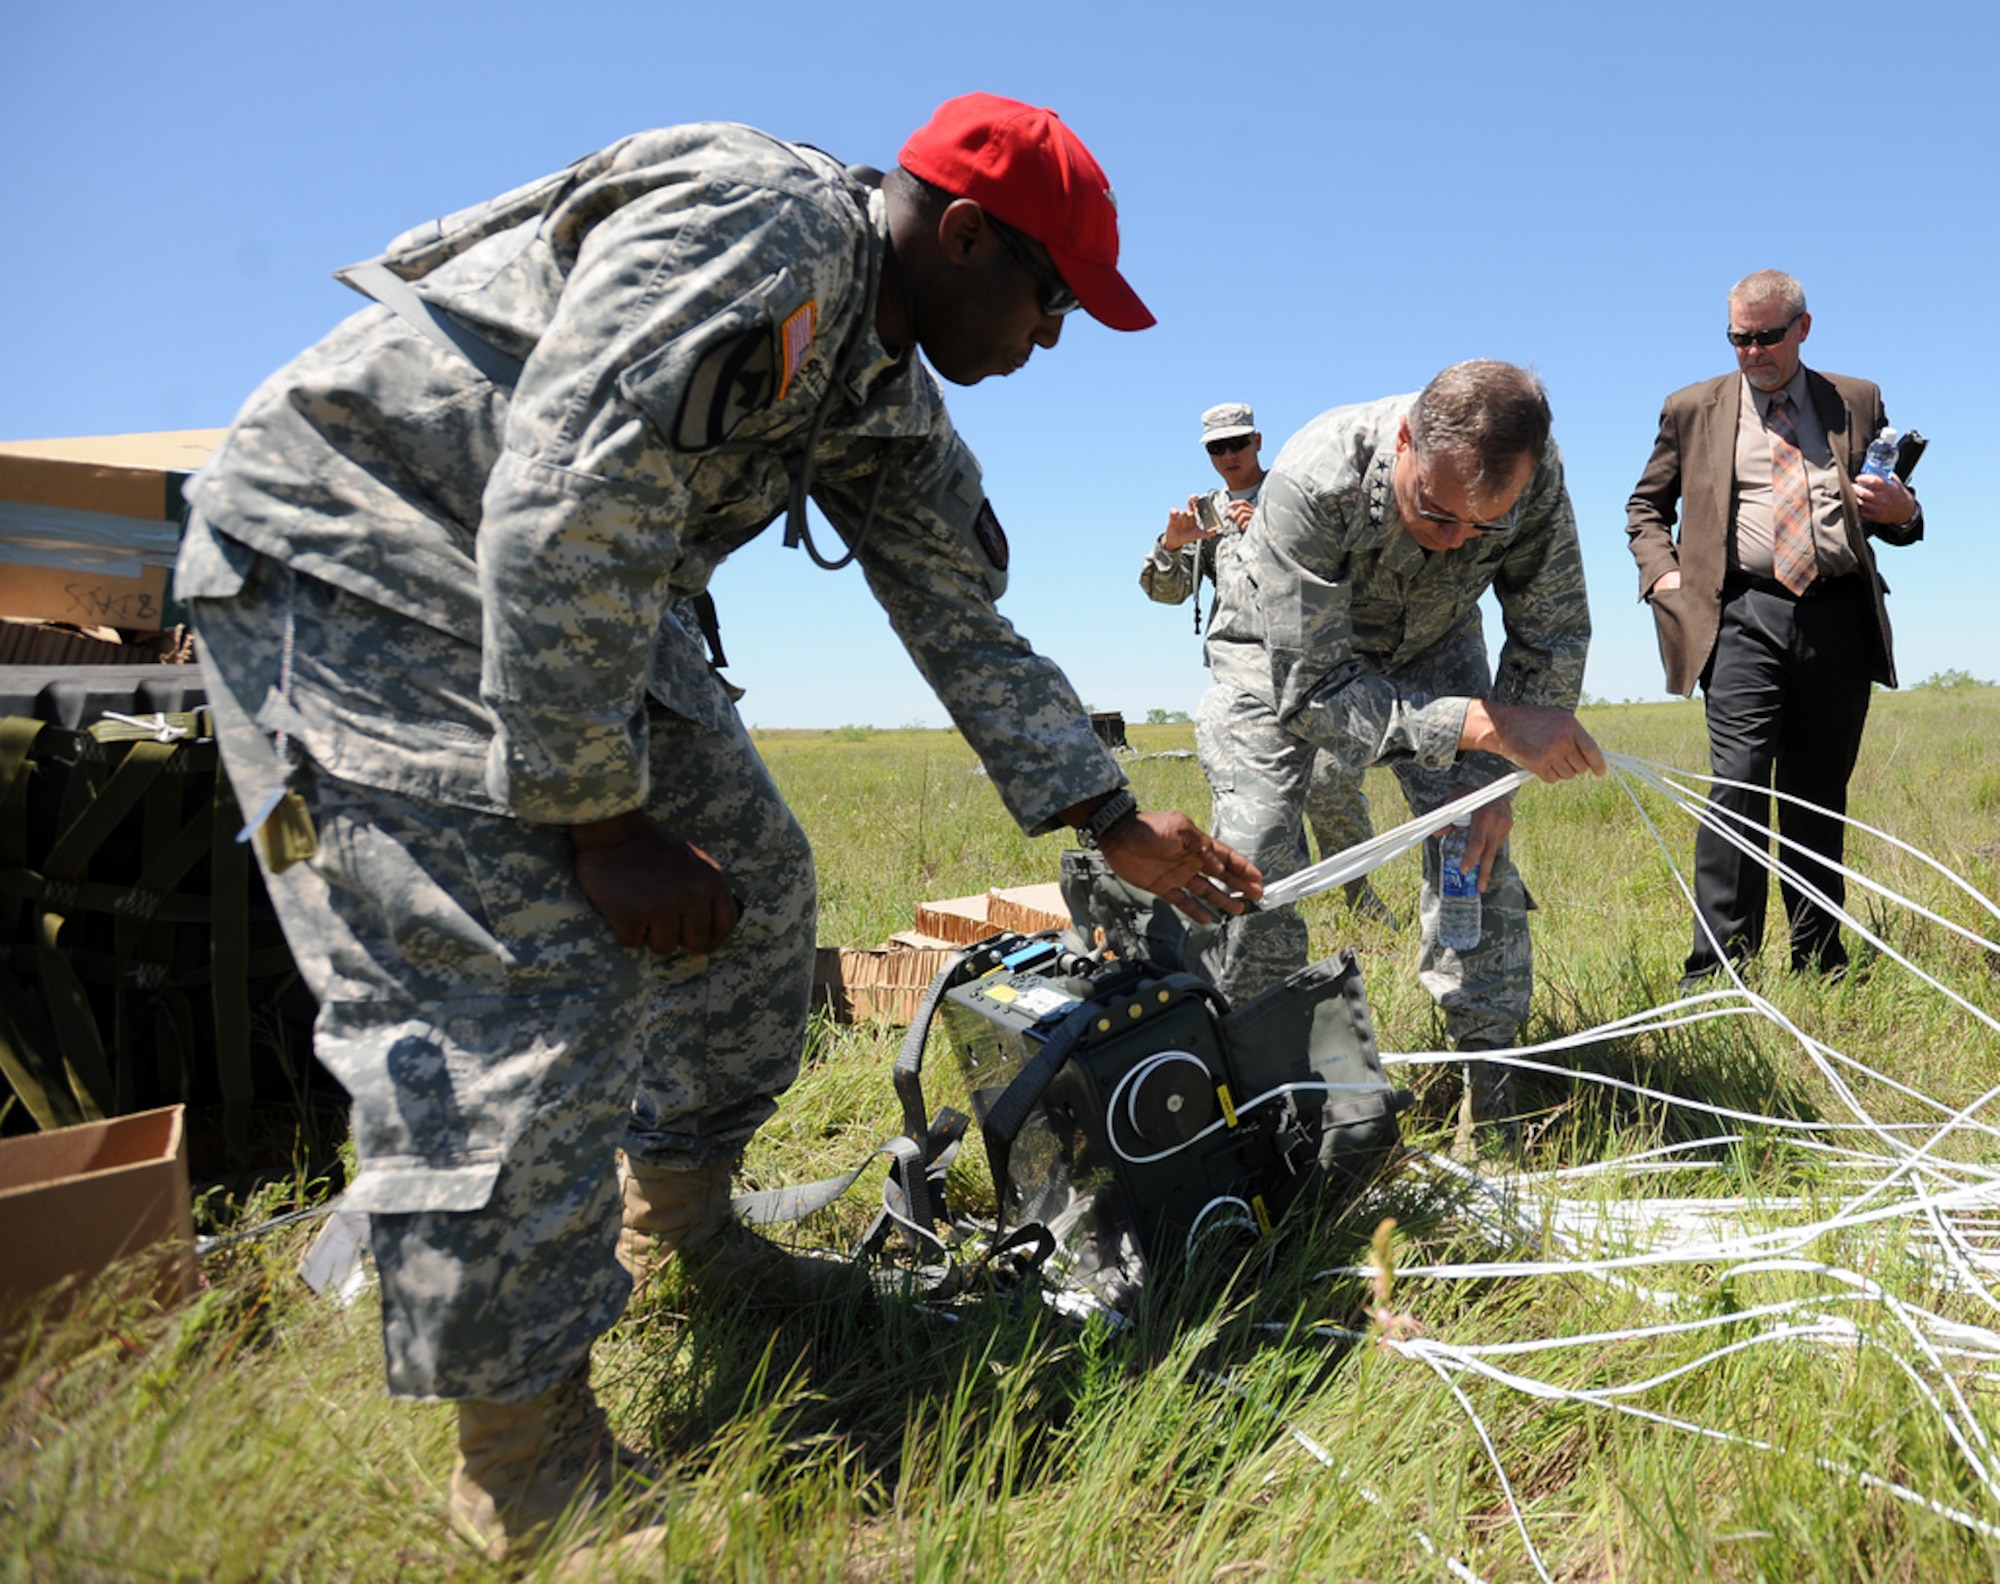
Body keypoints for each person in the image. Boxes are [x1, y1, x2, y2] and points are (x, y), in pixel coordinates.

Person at [175, 93, 1262, 1563]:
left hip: (572, 590)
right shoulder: (765, 227)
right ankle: (524, 1459)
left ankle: (675, 1223)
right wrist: (597, 815)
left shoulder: (880, 378)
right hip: (374, 547)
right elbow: (568, 482)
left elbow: (960, 611)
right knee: (521, 984)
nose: (1047, 341)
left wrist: (1111, 815)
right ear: (960, 234)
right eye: (1049, 299)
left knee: (755, 886)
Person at [1194, 361, 1603, 1149]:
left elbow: (1551, 632)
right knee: (1256, 859)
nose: (1454, 542)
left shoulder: (1535, 472)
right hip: (1275, 665)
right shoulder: (1314, 480)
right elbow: (1314, 695)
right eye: (1436, 512)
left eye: (1483, 530)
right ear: (1407, 439)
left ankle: (1492, 1100)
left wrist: (1492, 785)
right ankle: (1259, 1105)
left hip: (1434, 646)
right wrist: (1480, 728)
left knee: (1476, 861)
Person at [1626, 270, 1922, 988]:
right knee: (1737, 784)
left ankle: (1820, 962)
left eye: (1766, 336)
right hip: (1741, 615)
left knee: (1819, 792)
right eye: (1739, 337)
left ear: (1803, 328)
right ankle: (1721, 970)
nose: (1752, 351)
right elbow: (1644, 509)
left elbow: (1904, 520)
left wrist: (1901, 511)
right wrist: (1663, 578)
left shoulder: (1856, 400)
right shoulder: (1692, 408)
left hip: (1838, 613)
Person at [1141, 403, 1396, 925]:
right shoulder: (1205, 514)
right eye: (1218, 447)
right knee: (1251, 811)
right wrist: (1173, 544)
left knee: (1333, 790)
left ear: (1258, 441)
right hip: (1242, 675)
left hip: (1315, 668)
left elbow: (1351, 573)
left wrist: (1269, 530)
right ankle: (1266, 920)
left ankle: (1359, 897)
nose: (1229, 455)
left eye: (1238, 443)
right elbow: (1162, 592)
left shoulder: (1297, 494)